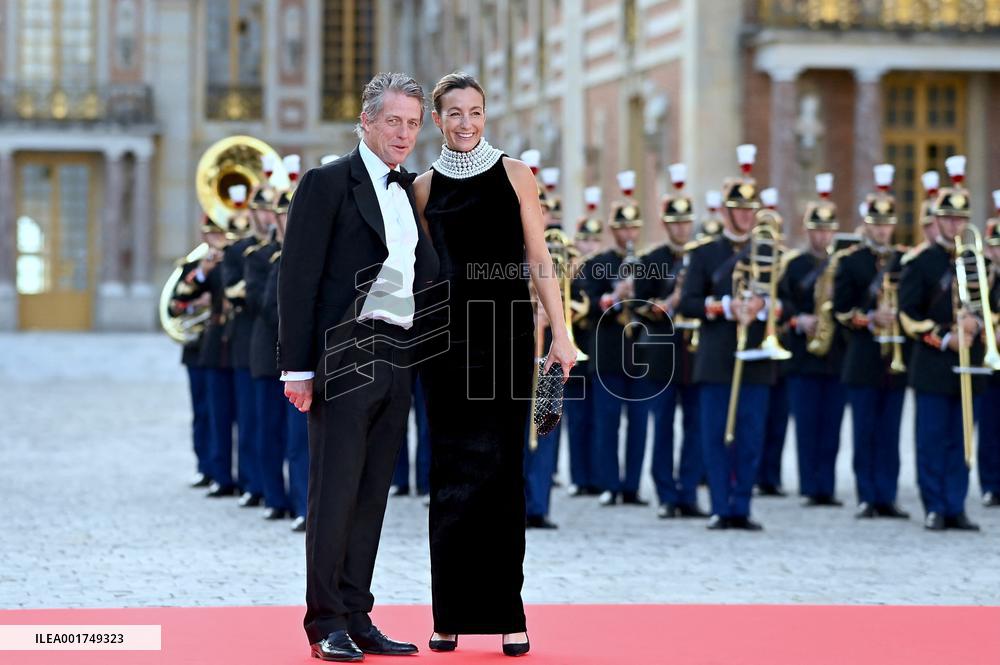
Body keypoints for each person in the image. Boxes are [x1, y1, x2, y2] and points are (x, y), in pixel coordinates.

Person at [278, 72, 439, 662]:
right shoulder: (325, 184)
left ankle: (358, 613)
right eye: (392, 121)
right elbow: (296, 280)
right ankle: (325, 622)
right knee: (335, 492)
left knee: (374, 494)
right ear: (366, 123)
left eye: (412, 123)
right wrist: (297, 369)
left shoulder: (412, 192)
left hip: (399, 352)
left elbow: (431, 276)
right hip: (346, 352)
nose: (402, 133)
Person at [413, 71, 574, 657]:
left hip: (507, 336)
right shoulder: (424, 188)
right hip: (446, 343)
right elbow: (422, 270)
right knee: (449, 474)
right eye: (454, 113)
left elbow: (539, 258)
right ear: (438, 119)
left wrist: (562, 333)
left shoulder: (515, 174)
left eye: (475, 111)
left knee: (504, 474)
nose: (466, 123)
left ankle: (509, 614)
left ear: (486, 115)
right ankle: (449, 614)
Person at [678, 144, 778, 531]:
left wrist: (762, 308)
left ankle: (742, 506)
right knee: (716, 436)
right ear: (724, 211)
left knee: (751, 438)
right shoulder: (705, 253)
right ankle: (721, 505)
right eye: (738, 209)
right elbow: (688, 303)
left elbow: (779, 301)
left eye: (750, 211)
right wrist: (725, 306)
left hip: (755, 354)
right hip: (717, 356)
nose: (745, 216)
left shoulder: (768, 251)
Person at [898, 155, 982, 532]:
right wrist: (945, 336)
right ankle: (934, 504)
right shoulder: (920, 262)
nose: (955, 224)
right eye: (948, 218)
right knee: (932, 438)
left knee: (962, 438)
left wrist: (978, 325)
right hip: (933, 362)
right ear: (937, 220)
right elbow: (909, 316)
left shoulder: (980, 262)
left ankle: (956, 504)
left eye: (961, 218)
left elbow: (994, 308)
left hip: (972, 359)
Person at [832, 164, 910, 521]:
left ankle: (887, 494)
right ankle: (866, 494)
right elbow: (841, 310)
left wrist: (898, 318)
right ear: (866, 224)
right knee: (864, 432)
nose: (881, 229)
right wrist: (869, 316)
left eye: (886, 223)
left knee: (890, 433)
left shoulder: (905, 261)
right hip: (863, 357)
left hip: (894, 358)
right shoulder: (852, 262)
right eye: (875, 223)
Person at [632, 162, 706, 519]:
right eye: (674, 222)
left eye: (686, 221)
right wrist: (668, 303)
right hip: (661, 355)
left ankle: (688, 491)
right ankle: (665, 493)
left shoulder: (704, 257)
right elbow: (637, 306)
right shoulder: (652, 260)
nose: (681, 227)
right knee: (661, 427)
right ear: (665, 224)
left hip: (696, 355)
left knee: (696, 426)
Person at [778, 173, 848, 507]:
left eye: (827, 229)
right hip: (802, 356)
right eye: (817, 229)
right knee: (807, 425)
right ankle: (810, 485)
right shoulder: (794, 265)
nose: (822, 235)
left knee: (832, 427)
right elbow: (780, 304)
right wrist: (797, 318)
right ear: (808, 231)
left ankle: (827, 486)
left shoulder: (842, 264)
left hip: (835, 355)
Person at [583, 171, 651, 507]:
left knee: (639, 425)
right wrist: (614, 294)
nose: (628, 234)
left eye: (633, 228)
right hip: (608, 353)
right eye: (622, 228)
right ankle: (609, 484)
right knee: (607, 424)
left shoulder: (648, 263)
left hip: (640, 355)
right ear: (613, 231)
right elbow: (589, 305)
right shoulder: (598, 263)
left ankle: (633, 486)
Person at [981, 199, 1000, 508]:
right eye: (995, 247)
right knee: (989, 425)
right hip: (987, 360)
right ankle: (991, 484)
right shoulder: (982, 276)